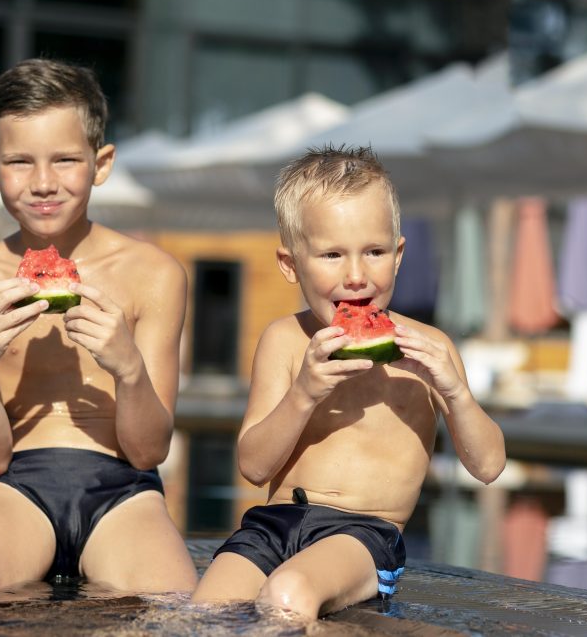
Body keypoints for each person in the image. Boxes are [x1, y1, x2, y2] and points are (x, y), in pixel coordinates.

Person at [192, 145, 506, 618]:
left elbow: (488, 467)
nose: (356, 276)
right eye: (333, 254)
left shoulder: (428, 347)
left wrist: (455, 393)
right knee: (202, 614)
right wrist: (304, 393)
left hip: (365, 536)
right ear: (290, 264)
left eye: (374, 252)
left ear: (398, 255)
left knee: (287, 596)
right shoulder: (283, 339)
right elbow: (254, 467)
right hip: (271, 524)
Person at [0, 58, 197, 597]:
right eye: (20, 162)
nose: (44, 183)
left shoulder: (155, 274)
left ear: (102, 163)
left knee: (169, 611)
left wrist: (128, 369)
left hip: (125, 489)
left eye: (66, 160)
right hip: (13, 487)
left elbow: (148, 451)